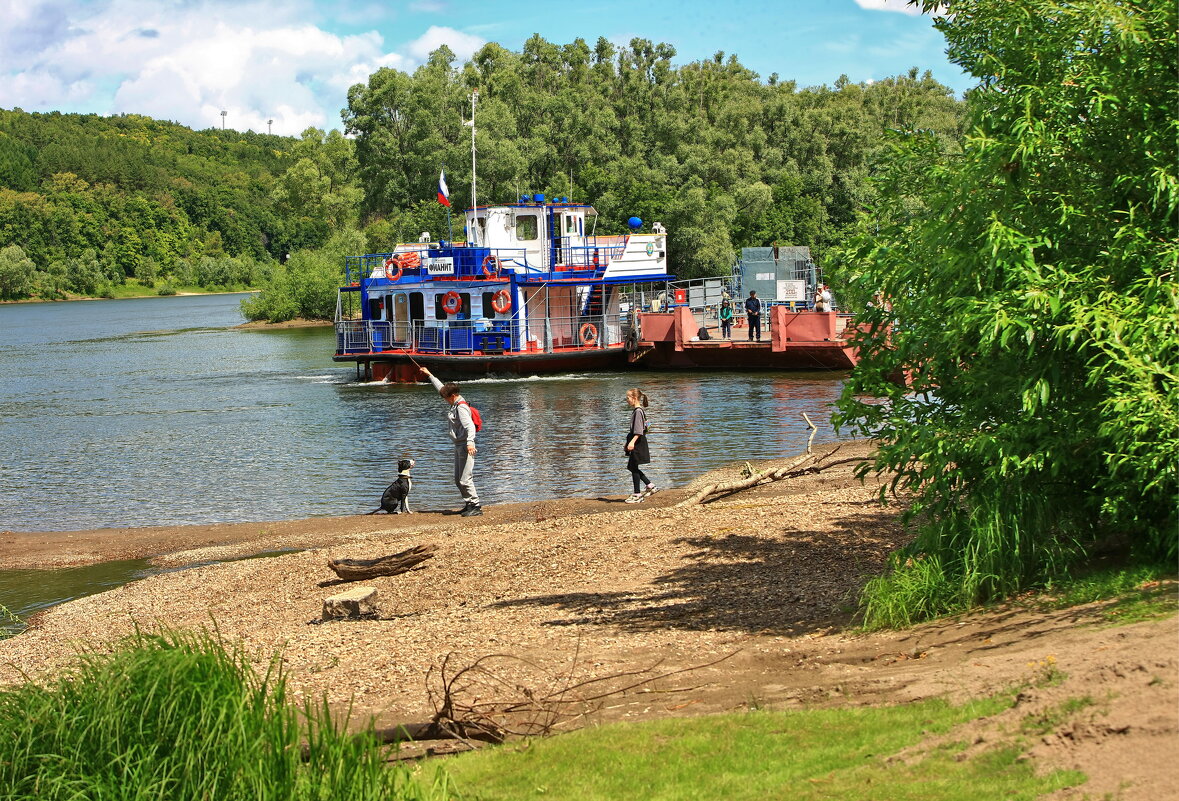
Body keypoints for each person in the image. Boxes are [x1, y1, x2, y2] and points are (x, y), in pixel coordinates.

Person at [419, 367, 482, 516]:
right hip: (458, 445)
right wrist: (430, 375)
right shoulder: (454, 401)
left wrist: (470, 443)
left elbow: (470, 427)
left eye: (446, 398)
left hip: (466, 446)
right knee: (458, 479)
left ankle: (476, 506)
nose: (445, 400)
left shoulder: (461, 408)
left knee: (465, 479)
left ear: (453, 396)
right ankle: (469, 504)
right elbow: (441, 388)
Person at [623, 388, 658, 503]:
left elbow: (638, 431)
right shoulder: (638, 411)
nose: (626, 400)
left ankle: (637, 494)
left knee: (633, 467)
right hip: (637, 442)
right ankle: (650, 486)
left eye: (628, 398)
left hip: (637, 443)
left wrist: (632, 442)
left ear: (634, 398)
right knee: (632, 467)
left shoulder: (638, 411)